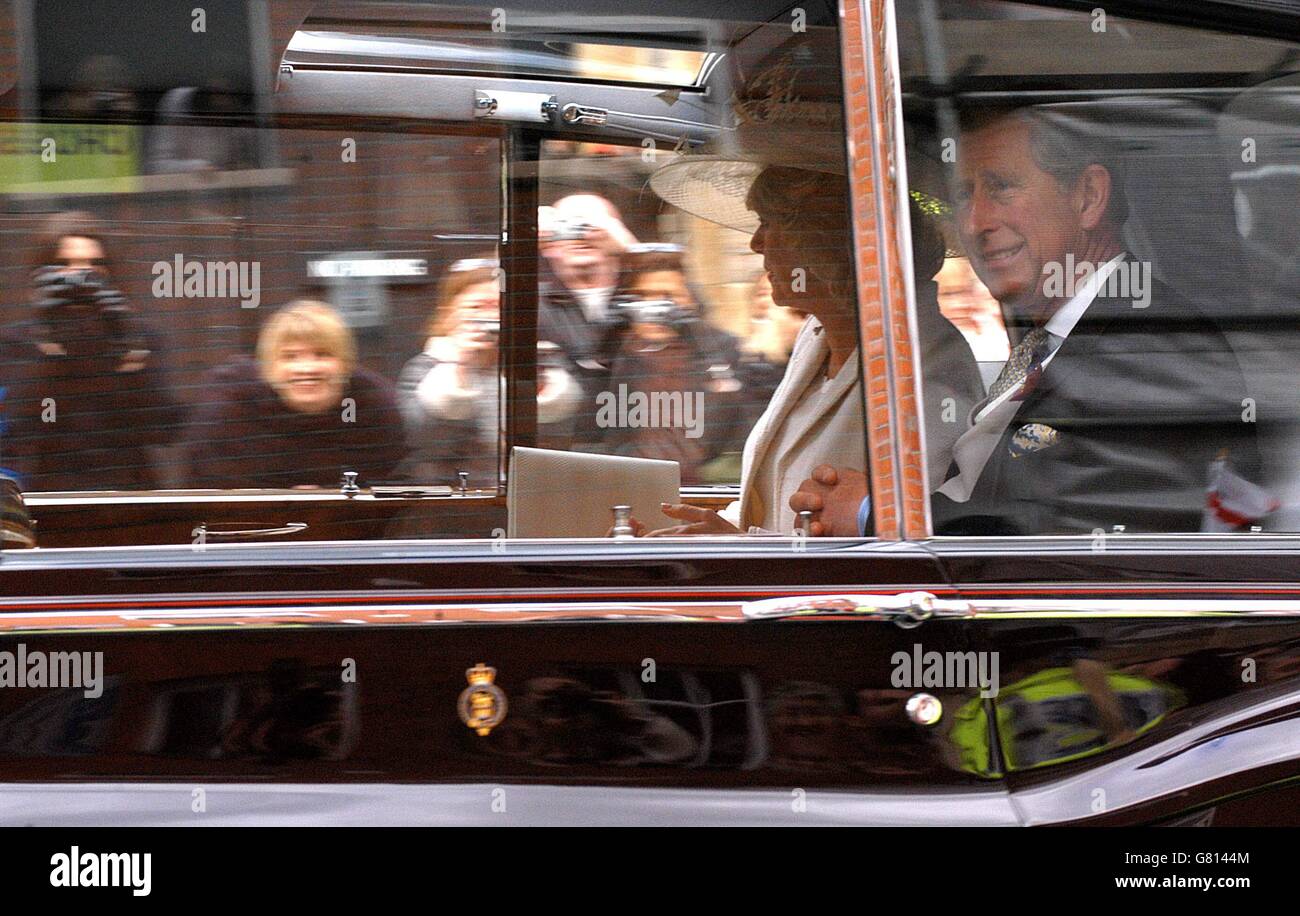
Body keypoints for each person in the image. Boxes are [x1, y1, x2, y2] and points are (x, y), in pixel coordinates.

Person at [794, 106, 1260, 536]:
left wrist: (875, 513)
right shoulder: (1054, 339)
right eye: (963, 196)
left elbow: (1075, 539)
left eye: (1000, 188)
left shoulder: (1151, 342)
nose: (975, 222)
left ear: (1088, 197)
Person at [0, 211, 179, 491]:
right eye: (63, 264)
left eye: (93, 266)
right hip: (49, 504)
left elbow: (164, 429)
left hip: (127, 505)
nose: (79, 277)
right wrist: (49, 339)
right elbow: (21, 428)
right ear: (39, 278)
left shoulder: (138, 339)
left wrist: (124, 342)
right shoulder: (15, 343)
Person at [396, 259, 582, 487]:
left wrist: (533, 373)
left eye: (497, 307)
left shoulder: (546, 361)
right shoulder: (426, 367)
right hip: (458, 499)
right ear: (448, 315)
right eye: (476, 307)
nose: (489, 318)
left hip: (533, 490)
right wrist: (461, 368)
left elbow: (562, 436)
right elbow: (426, 441)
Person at [184, 301, 405, 488]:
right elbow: (207, 487)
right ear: (268, 367)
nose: (307, 368)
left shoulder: (374, 405)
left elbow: (392, 485)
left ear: (346, 364)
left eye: (322, 354)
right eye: (290, 357)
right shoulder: (230, 403)